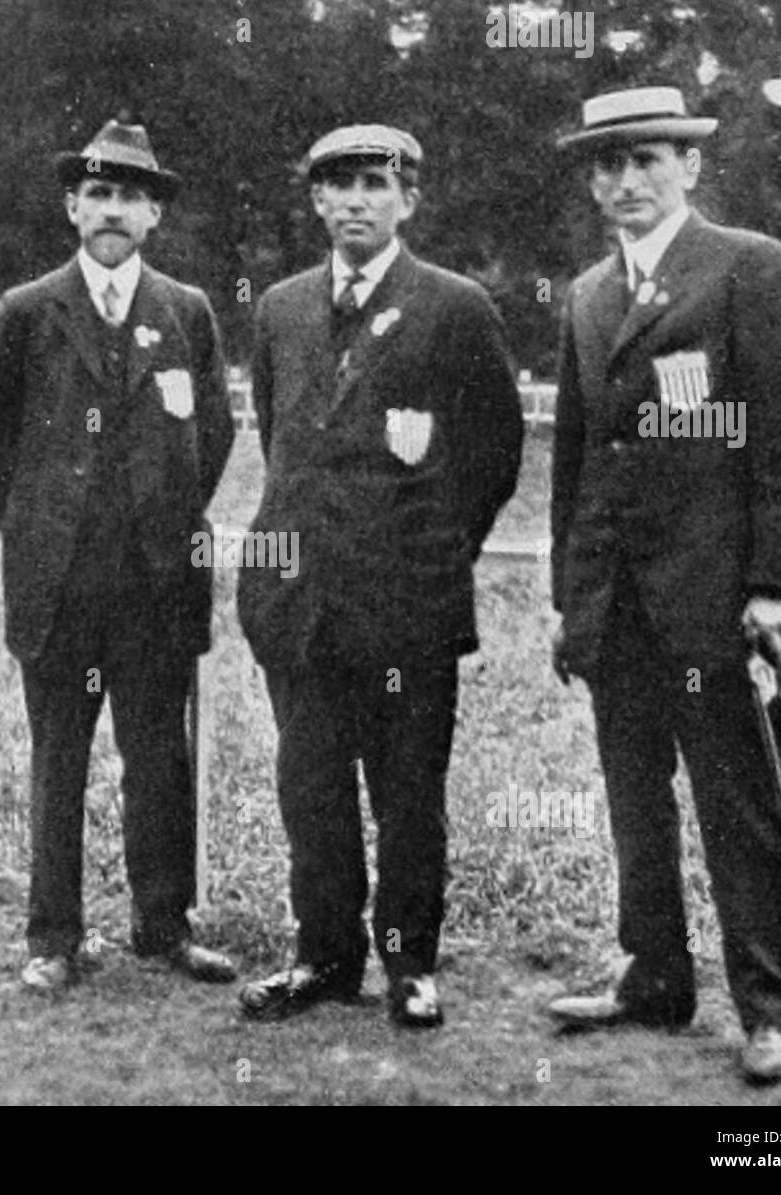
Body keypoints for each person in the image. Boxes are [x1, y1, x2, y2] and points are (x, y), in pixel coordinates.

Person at [547, 87, 781, 1082]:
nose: (626, 180)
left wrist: (778, 589)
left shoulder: (747, 268)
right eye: (607, 164)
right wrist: (569, 598)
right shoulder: (587, 294)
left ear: (689, 166)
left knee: (742, 803)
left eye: (646, 159)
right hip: (618, 601)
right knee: (635, 799)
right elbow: (579, 461)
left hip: (715, 599)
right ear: (592, 179)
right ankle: (651, 975)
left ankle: (768, 1005)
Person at [236, 125, 524, 1027]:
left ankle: (411, 962)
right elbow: (278, 432)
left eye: (375, 183)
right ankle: (323, 955)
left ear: (409, 198)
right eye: (338, 186)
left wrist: (434, 548)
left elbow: (493, 452)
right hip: (300, 603)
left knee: (407, 793)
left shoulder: (455, 305)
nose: (356, 200)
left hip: (409, 604)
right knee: (310, 787)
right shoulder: (281, 306)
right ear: (316, 201)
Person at [0, 120, 236, 993]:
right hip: (59, 583)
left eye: (131, 195)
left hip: (157, 581)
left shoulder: (187, 312)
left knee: (157, 754)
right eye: (99, 193)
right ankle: (53, 935)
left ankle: (163, 925)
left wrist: (163, 517)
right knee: (59, 756)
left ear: (153, 213)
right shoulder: (25, 311)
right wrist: (44, 527)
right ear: (71, 206)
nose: (113, 210)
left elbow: (214, 435)